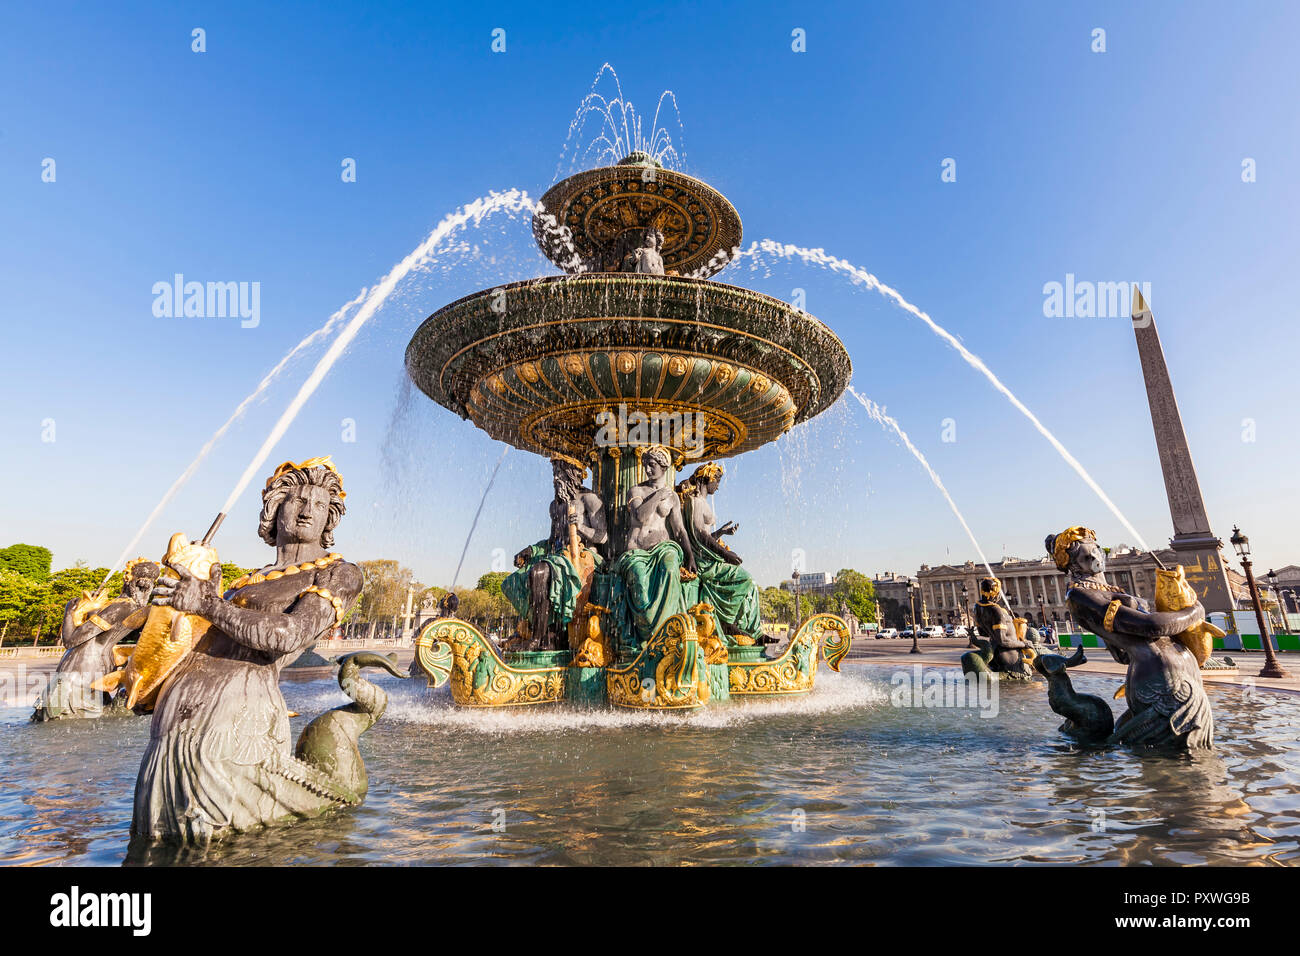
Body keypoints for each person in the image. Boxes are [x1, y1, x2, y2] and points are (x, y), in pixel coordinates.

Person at [132, 456, 365, 843]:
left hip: (235, 719)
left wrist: (207, 605)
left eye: (320, 505)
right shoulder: (244, 580)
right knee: (155, 838)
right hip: (173, 725)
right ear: (275, 509)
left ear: (330, 521)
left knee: (222, 842)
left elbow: (289, 634)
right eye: (297, 501)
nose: (307, 511)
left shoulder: (339, 573)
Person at [1047, 526, 1213, 749]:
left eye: (1096, 548)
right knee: (1178, 763)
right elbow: (1151, 626)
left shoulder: (1108, 588)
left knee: (1193, 761)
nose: (1096, 555)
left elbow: (1122, 655)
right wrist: (1193, 612)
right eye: (1087, 553)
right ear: (1072, 562)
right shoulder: (1080, 595)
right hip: (1160, 683)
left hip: (1178, 676)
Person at [35, 558, 161, 720]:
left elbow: (71, 640)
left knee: (61, 725)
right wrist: (91, 611)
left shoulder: (118, 607)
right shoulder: (135, 608)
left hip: (80, 668)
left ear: (129, 579)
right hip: (100, 667)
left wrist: (69, 610)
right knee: (91, 723)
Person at [503, 457, 607, 650]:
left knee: (539, 572)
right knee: (513, 581)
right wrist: (531, 550)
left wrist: (580, 526)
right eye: (555, 475)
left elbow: (602, 537)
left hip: (583, 556)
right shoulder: (555, 505)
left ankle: (537, 638)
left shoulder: (589, 499)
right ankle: (550, 632)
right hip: (558, 555)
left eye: (559, 474)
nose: (555, 479)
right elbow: (553, 539)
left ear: (573, 476)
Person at [610, 445, 696, 650]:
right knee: (639, 578)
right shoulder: (636, 490)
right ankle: (647, 632)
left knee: (670, 564)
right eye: (645, 465)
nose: (647, 470)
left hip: (663, 548)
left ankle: (666, 632)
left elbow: (679, 530)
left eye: (652, 465)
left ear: (664, 466)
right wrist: (658, 495)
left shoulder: (673, 497)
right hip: (636, 550)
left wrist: (690, 557)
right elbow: (640, 516)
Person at [675, 461, 762, 643]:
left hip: (704, 557)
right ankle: (726, 622)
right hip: (704, 562)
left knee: (751, 586)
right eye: (717, 481)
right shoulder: (697, 502)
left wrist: (721, 532)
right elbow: (699, 534)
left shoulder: (697, 502)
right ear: (709, 478)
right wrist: (725, 553)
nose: (718, 486)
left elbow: (702, 535)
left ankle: (755, 632)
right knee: (745, 578)